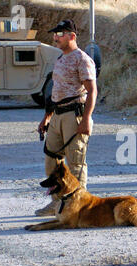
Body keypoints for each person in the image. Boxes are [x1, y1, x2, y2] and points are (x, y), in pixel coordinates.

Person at [35, 19, 97, 216]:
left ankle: (78, 204)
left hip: (75, 113)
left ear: (72, 36)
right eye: (55, 34)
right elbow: (56, 92)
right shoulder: (61, 59)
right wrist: (47, 117)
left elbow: (92, 91)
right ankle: (57, 203)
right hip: (58, 115)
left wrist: (86, 119)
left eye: (60, 34)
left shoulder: (82, 59)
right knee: (52, 160)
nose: (55, 37)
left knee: (76, 161)